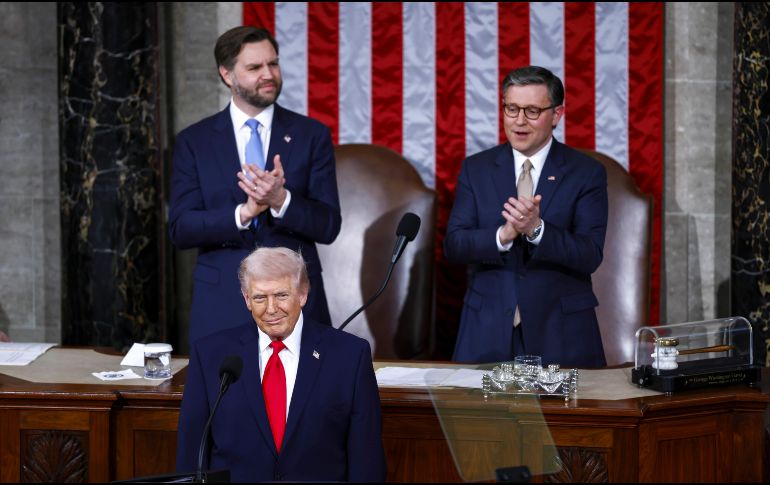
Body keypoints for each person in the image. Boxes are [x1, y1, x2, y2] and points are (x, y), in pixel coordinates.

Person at [168, 26, 341, 343]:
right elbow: (181, 228)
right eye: (254, 67)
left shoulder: (310, 135)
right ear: (227, 74)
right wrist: (243, 213)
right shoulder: (195, 142)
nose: (269, 74)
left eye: (273, 64)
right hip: (222, 304)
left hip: (296, 301)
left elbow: (328, 225)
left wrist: (281, 200)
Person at [176, 247, 387, 482]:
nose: (271, 309)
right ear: (246, 299)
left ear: (303, 294)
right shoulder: (209, 355)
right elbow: (190, 455)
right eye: (259, 298)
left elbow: (366, 461)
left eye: (281, 295)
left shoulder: (350, 356)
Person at [444, 66, 608, 368]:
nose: (519, 121)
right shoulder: (476, 169)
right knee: (481, 418)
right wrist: (502, 236)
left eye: (532, 111)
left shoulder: (586, 173)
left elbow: (590, 254)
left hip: (560, 332)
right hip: (487, 331)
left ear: (556, 115)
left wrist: (537, 230)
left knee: (564, 418)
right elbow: (455, 245)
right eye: (512, 109)